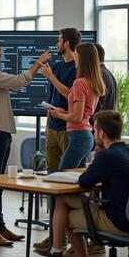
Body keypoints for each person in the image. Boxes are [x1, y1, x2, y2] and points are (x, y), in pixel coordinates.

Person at [0, 36, 50, 246]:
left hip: (1, 133)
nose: (0, 53)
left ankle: (0, 227)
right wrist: (37, 63)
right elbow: (18, 83)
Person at [46, 110, 129, 257]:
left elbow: (84, 182)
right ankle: (58, 252)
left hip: (118, 222)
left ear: (101, 133)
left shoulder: (106, 156)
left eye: (94, 131)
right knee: (63, 199)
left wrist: (98, 158)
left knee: (64, 214)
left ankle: (59, 253)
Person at [33, 28, 80, 252]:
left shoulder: (76, 67)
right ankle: (55, 236)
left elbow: (70, 94)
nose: (57, 42)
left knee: (66, 184)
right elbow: (52, 94)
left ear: (68, 43)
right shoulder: (58, 65)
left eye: (60, 39)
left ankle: (69, 238)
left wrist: (51, 76)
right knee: (52, 181)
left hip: (69, 129)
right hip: (52, 127)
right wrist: (47, 123)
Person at [47, 42, 105, 170]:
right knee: (75, 179)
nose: (75, 58)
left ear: (82, 59)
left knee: (62, 174)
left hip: (79, 136)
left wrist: (59, 115)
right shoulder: (93, 81)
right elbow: (83, 113)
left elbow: (78, 117)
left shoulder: (79, 83)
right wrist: (65, 112)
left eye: (77, 56)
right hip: (86, 135)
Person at [94, 43, 117, 113]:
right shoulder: (109, 74)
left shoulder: (98, 75)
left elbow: (98, 105)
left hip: (100, 121)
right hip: (107, 121)